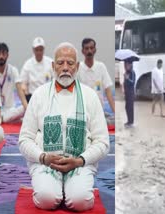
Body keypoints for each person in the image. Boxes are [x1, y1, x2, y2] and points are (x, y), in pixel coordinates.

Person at [19, 42, 109, 211]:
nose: (65, 68)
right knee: (47, 199)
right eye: (60, 63)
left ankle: (70, 186)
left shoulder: (90, 97)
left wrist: (80, 160)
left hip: (80, 163)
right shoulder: (39, 95)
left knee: (80, 202)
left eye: (70, 63)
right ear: (53, 66)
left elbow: (103, 142)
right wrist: (43, 157)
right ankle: (55, 186)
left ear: (78, 66)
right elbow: (24, 139)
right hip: (46, 163)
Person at [0, 43, 28, 123]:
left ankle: (1, 119)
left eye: (3, 54)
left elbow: (20, 90)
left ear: (7, 55)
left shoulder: (13, 70)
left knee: (24, 108)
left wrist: (28, 109)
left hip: (10, 109)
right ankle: (7, 119)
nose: (1, 56)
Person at [77, 38, 115, 114]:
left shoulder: (101, 67)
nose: (89, 51)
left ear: (95, 50)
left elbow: (108, 91)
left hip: (99, 111)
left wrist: (114, 111)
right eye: (86, 48)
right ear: (82, 51)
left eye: (91, 48)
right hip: (83, 112)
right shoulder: (78, 68)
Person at [20, 37, 53, 102]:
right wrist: (26, 94)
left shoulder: (50, 62)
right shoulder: (27, 64)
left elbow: (55, 79)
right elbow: (23, 83)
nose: (39, 52)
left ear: (44, 50)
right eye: (37, 50)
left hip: (47, 97)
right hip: (32, 97)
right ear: (33, 50)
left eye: (41, 50)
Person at [123, 59, 136, 128]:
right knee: (127, 107)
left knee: (130, 107)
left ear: (130, 65)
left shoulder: (132, 72)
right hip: (126, 92)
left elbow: (133, 82)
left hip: (131, 93)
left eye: (127, 64)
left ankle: (131, 122)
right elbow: (125, 83)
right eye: (125, 64)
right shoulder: (126, 72)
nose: (125, 66)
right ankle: (129, 121)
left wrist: (127, 78)